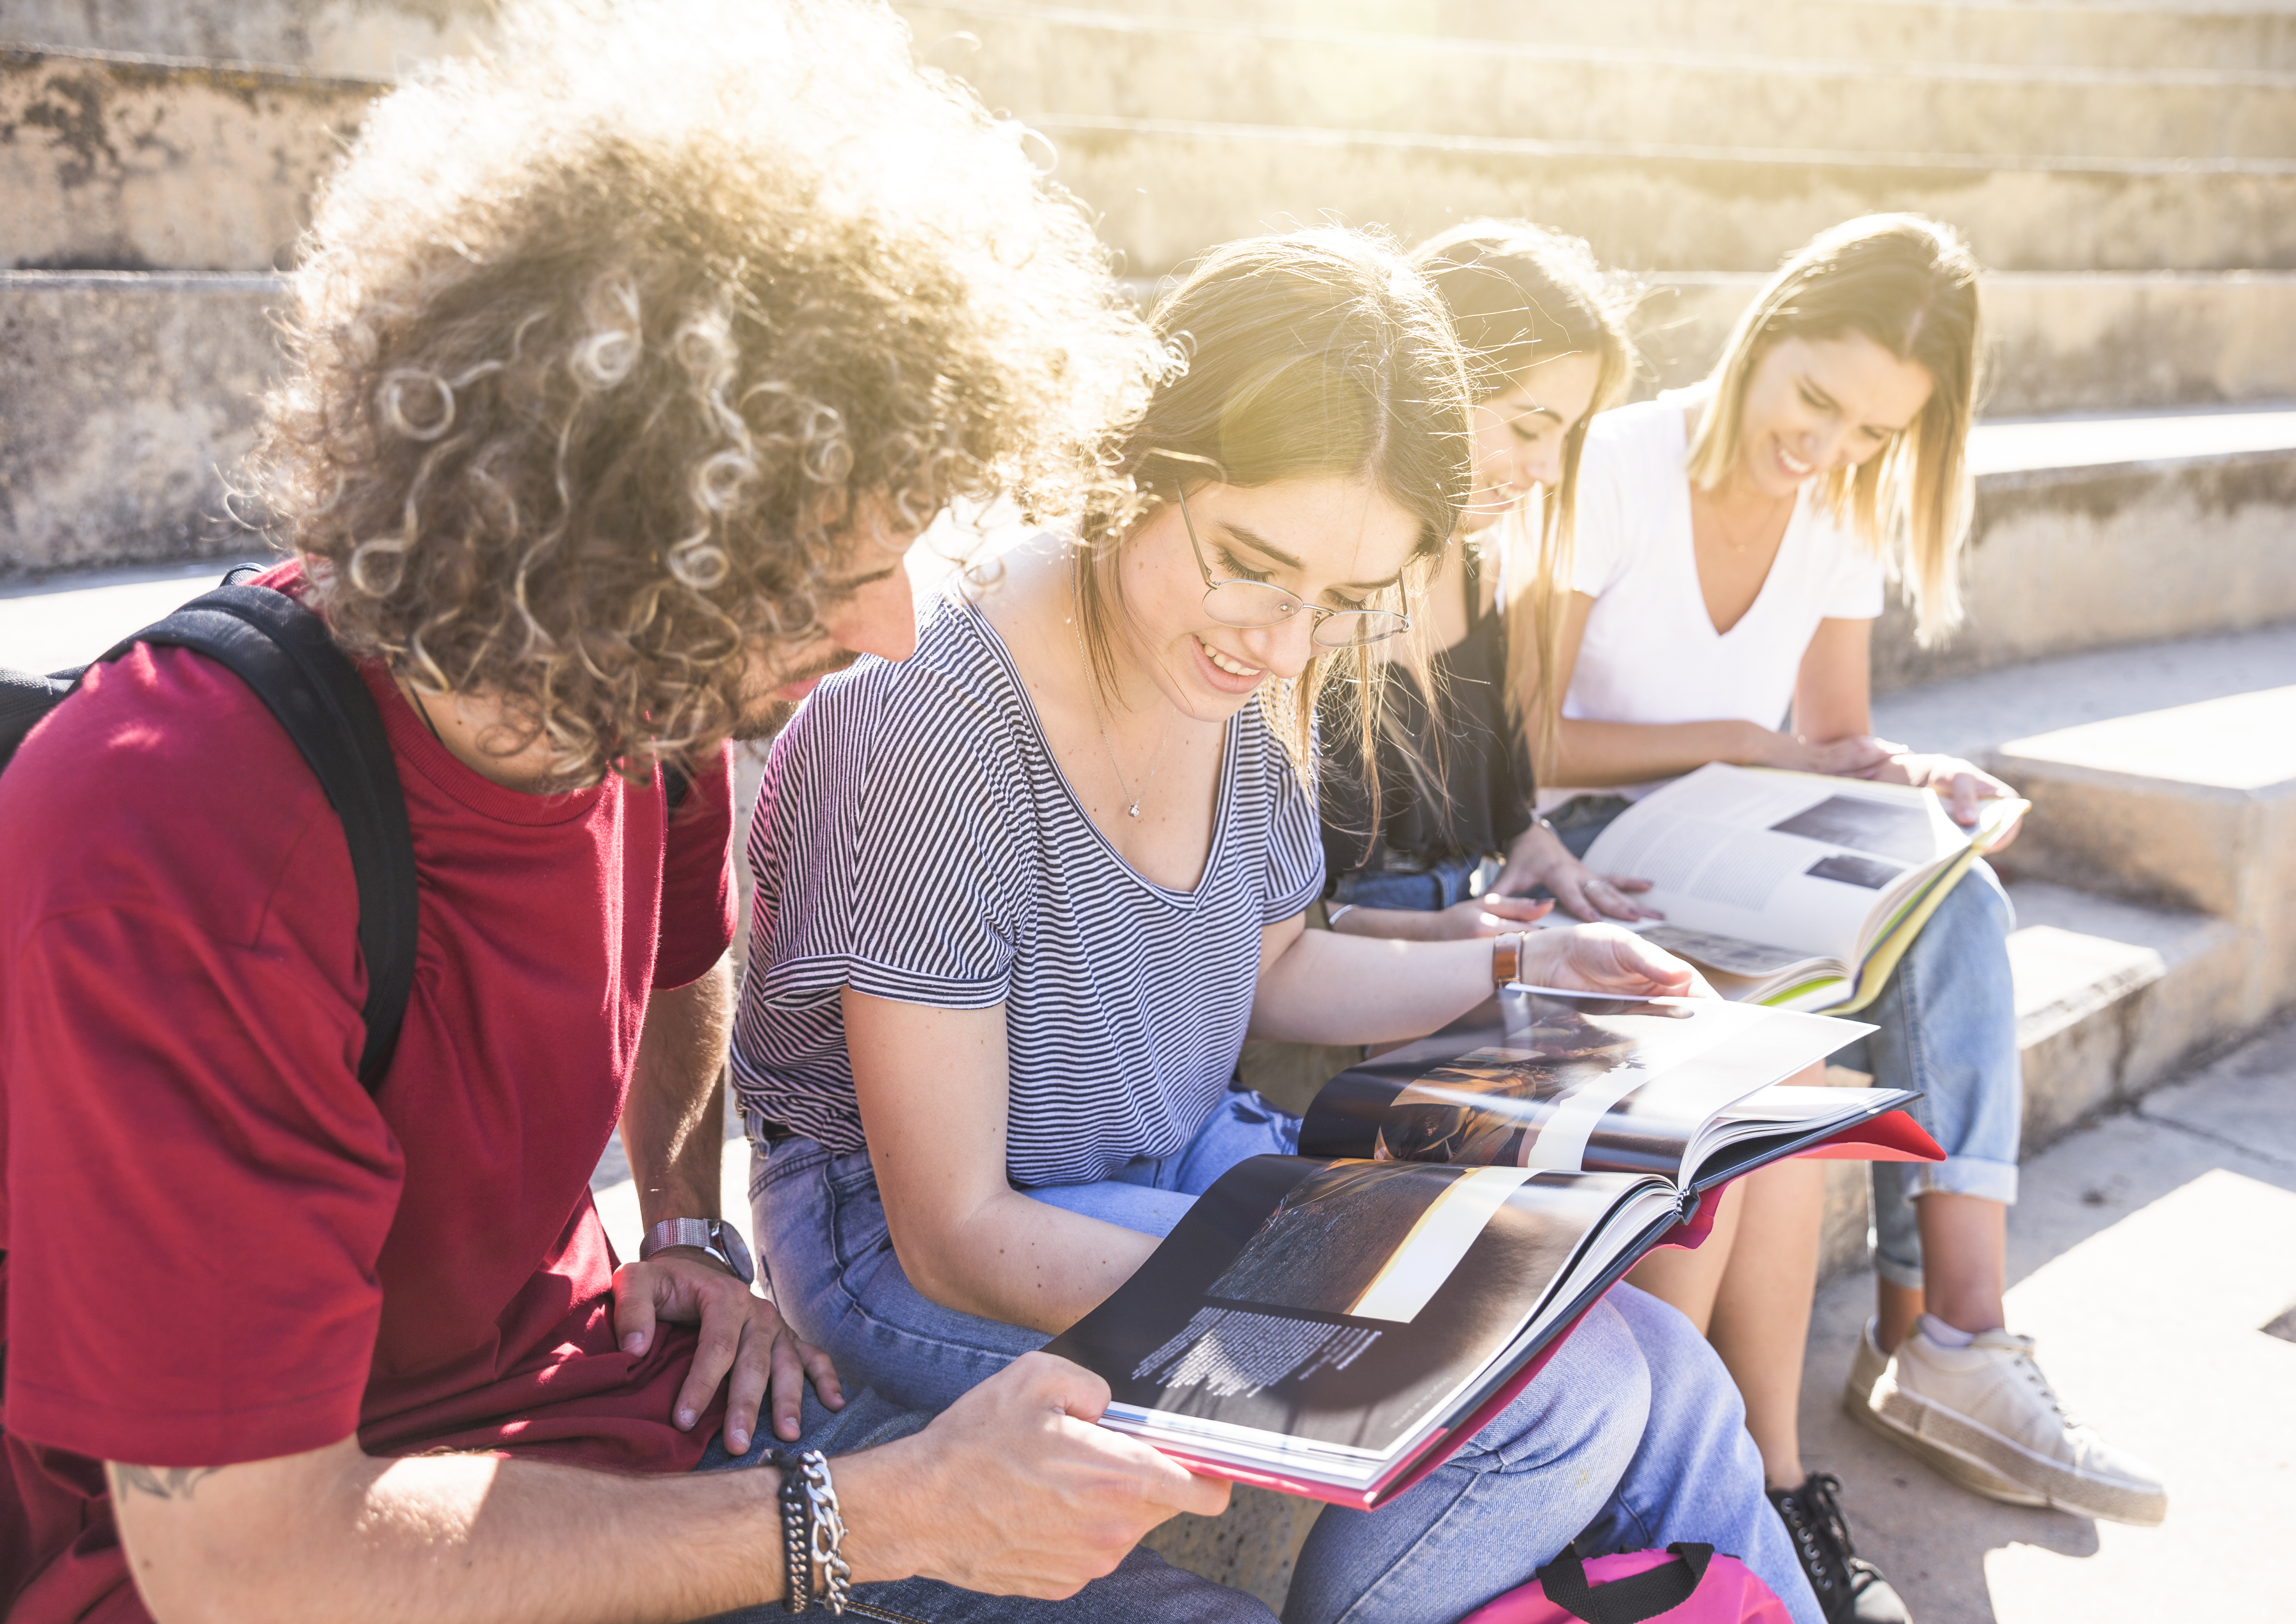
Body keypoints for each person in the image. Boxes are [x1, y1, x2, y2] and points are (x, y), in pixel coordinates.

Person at [0, 4, 1314, 1620]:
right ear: (612, 535)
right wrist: (881, 1512)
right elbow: (246, 1561)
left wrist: (682, 1212)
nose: (897, 630)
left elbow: (683, 951)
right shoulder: (173, 837)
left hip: (616, 1414)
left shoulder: (637, 682)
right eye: (841, 573)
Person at [732, 226, 1832, 1624]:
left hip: (1182, 1171)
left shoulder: (1253, 667)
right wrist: (1373, 1303)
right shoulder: (927, 727)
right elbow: (956, 1231)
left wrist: (1520, 962)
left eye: (1343, 603)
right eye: (1254, 565)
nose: (1286, 644)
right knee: (1546, 1396)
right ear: (1140, 457)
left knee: (1672, 1378)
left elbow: (1272, 967)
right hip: (913, 1253)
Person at [1507, 214, 2170, 1622]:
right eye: (1814, 401)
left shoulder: (1841, 509)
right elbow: (1528, 744)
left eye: (1871, 434)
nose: (1827, 451)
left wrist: (1911, 786)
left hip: (1739, 830)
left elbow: (1839, 740)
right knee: (1782, 1039)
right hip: (1587, 841)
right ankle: (1751, 1456)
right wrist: (1752, 745)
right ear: (1768, 327)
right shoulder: (1618, 463)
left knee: (1960, 896)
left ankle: (1950, 1336)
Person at [1314, 220, 1655, 942]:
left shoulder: (1480, 569)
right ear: (1431, 380)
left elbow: (1493, 805)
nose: (1550, 472)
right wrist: (1433, 939)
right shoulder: (1304, 584)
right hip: (1325, 988)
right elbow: (1251, 921)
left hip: (1468, 941)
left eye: (1568, 437)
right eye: (1531, 429)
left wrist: (1530, 841)